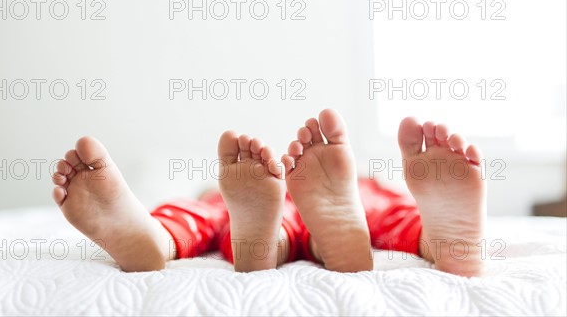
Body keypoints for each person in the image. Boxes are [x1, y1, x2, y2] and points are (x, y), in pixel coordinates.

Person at [51, 109, 486, 277]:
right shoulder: (369, 186)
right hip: (357, 199)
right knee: (395, 215)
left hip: (251, 207)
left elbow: (210, 201)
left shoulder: (215, 195)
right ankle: (445, 240)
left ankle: (164, 238)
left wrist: (213, 195)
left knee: (197, 216)